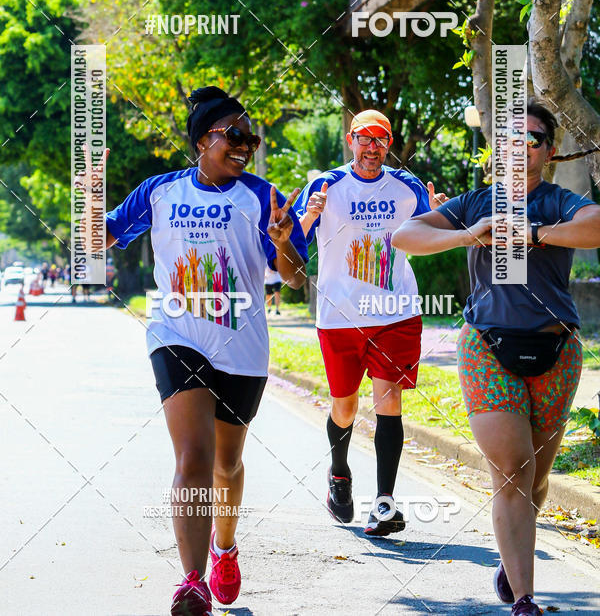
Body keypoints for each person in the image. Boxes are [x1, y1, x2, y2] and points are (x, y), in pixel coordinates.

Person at [104, 86, 308, 616]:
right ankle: (192, 581)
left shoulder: (263, 196)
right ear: (202, 140)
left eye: (251, 139)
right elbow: (94, 238)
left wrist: (284, 241)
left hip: (242, 346)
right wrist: (87, 189)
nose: (245, 147)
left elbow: (295, 280)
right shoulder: (160, 192)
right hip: (177, 335)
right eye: (234, 136)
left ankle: (224, 546)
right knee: (192, 457)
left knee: (226, 463)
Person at [391, 99, 600, 616]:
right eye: (511, 141)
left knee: (536, 477)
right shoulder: (475, 202)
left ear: (548, 152)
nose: (521, 150)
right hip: (488, 346)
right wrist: (469, 234)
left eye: (532, 140)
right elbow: (404, 235)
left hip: (557, 350)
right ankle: (526, 600)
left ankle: (512, 559)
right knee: (511, 471)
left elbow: (596, 226)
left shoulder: (558, 201)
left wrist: (530, 233)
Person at [295, 109, 447, 536]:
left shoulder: (408, 187)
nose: (372, 147)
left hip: (394, 313)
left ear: (389, 143)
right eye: (365, 138)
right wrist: (308, 215)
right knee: (345, 408)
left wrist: (440, 214)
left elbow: (436, 235)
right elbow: (290, 246)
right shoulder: (326, 184)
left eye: (380, 139)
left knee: (389, 404)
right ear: (350, 140)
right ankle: (339, 472)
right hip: (340, 316)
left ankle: (384, 504)